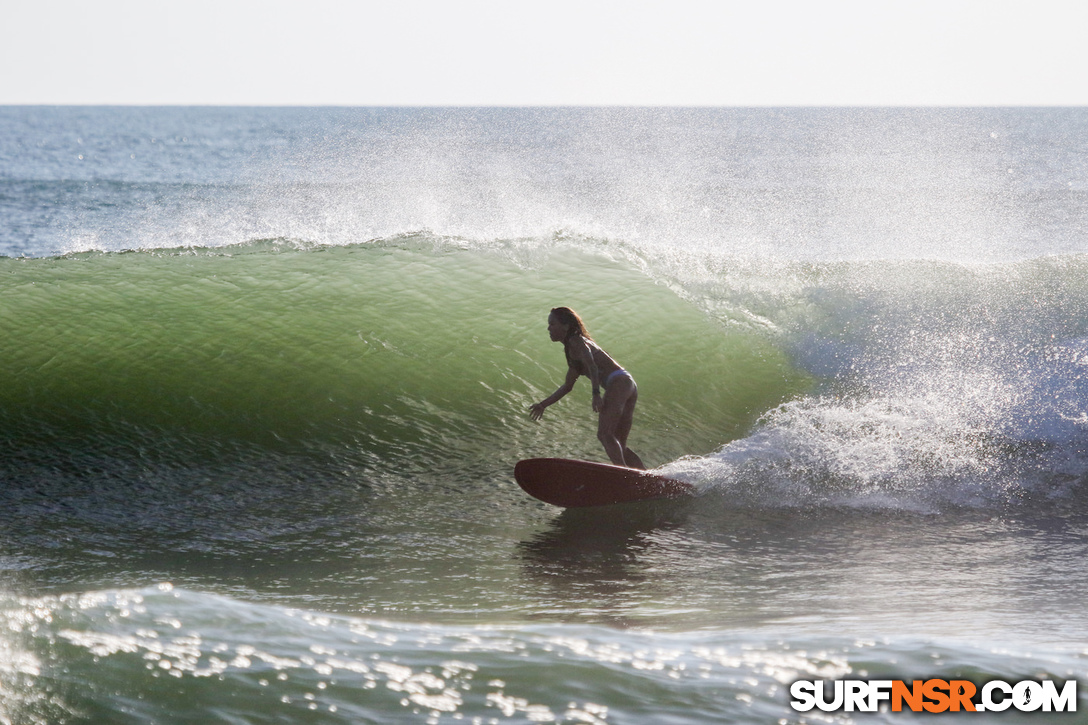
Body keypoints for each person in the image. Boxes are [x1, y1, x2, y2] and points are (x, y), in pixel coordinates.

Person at [528, 307, 646, 469]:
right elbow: (567, 386)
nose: (548, 328)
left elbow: (592, 366)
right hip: (627, 383)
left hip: (618, 382)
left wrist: (596, 394)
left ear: (566, 326)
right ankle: (645, 477)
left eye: (552, 324)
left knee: (604, 434)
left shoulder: (576, 341)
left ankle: (624, 474)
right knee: (619, 443)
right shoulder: (573, 351)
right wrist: (543, 405)